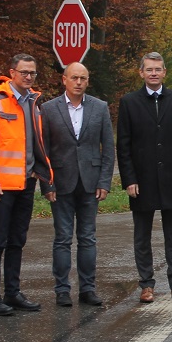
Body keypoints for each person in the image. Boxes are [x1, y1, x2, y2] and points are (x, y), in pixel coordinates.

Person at [0, 53, 55, 316]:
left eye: (32, 73)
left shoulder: (33, 103)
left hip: (26, 183)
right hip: (1, 186)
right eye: (24, 72)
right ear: (12, 73)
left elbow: (37, 142)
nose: (29, 77)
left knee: (17, 241)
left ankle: (12, 292)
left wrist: (38, 174)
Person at [116, 52, 172, 303]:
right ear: (141, 73)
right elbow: (124, 145)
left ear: (164, 73)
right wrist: (129, 179)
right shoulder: (129, 102)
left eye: (158, 69)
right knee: (142, 235)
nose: (154, 73)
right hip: (142, 180)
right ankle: (146, 284)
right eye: (149, 69)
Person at [40, 62, 114, 307]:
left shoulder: (100, 107)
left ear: (88, 80)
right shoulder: (49, 109)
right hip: (61, 182)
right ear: (64, 80)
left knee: (88, 238)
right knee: (62, 238)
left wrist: (105, 180)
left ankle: (88, 289)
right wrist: (47, 185)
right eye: (74, 78)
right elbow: (44, 150)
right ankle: (62, 290)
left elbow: (108, 148)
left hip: (91, 182)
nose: (79, 82)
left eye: (83, 78)